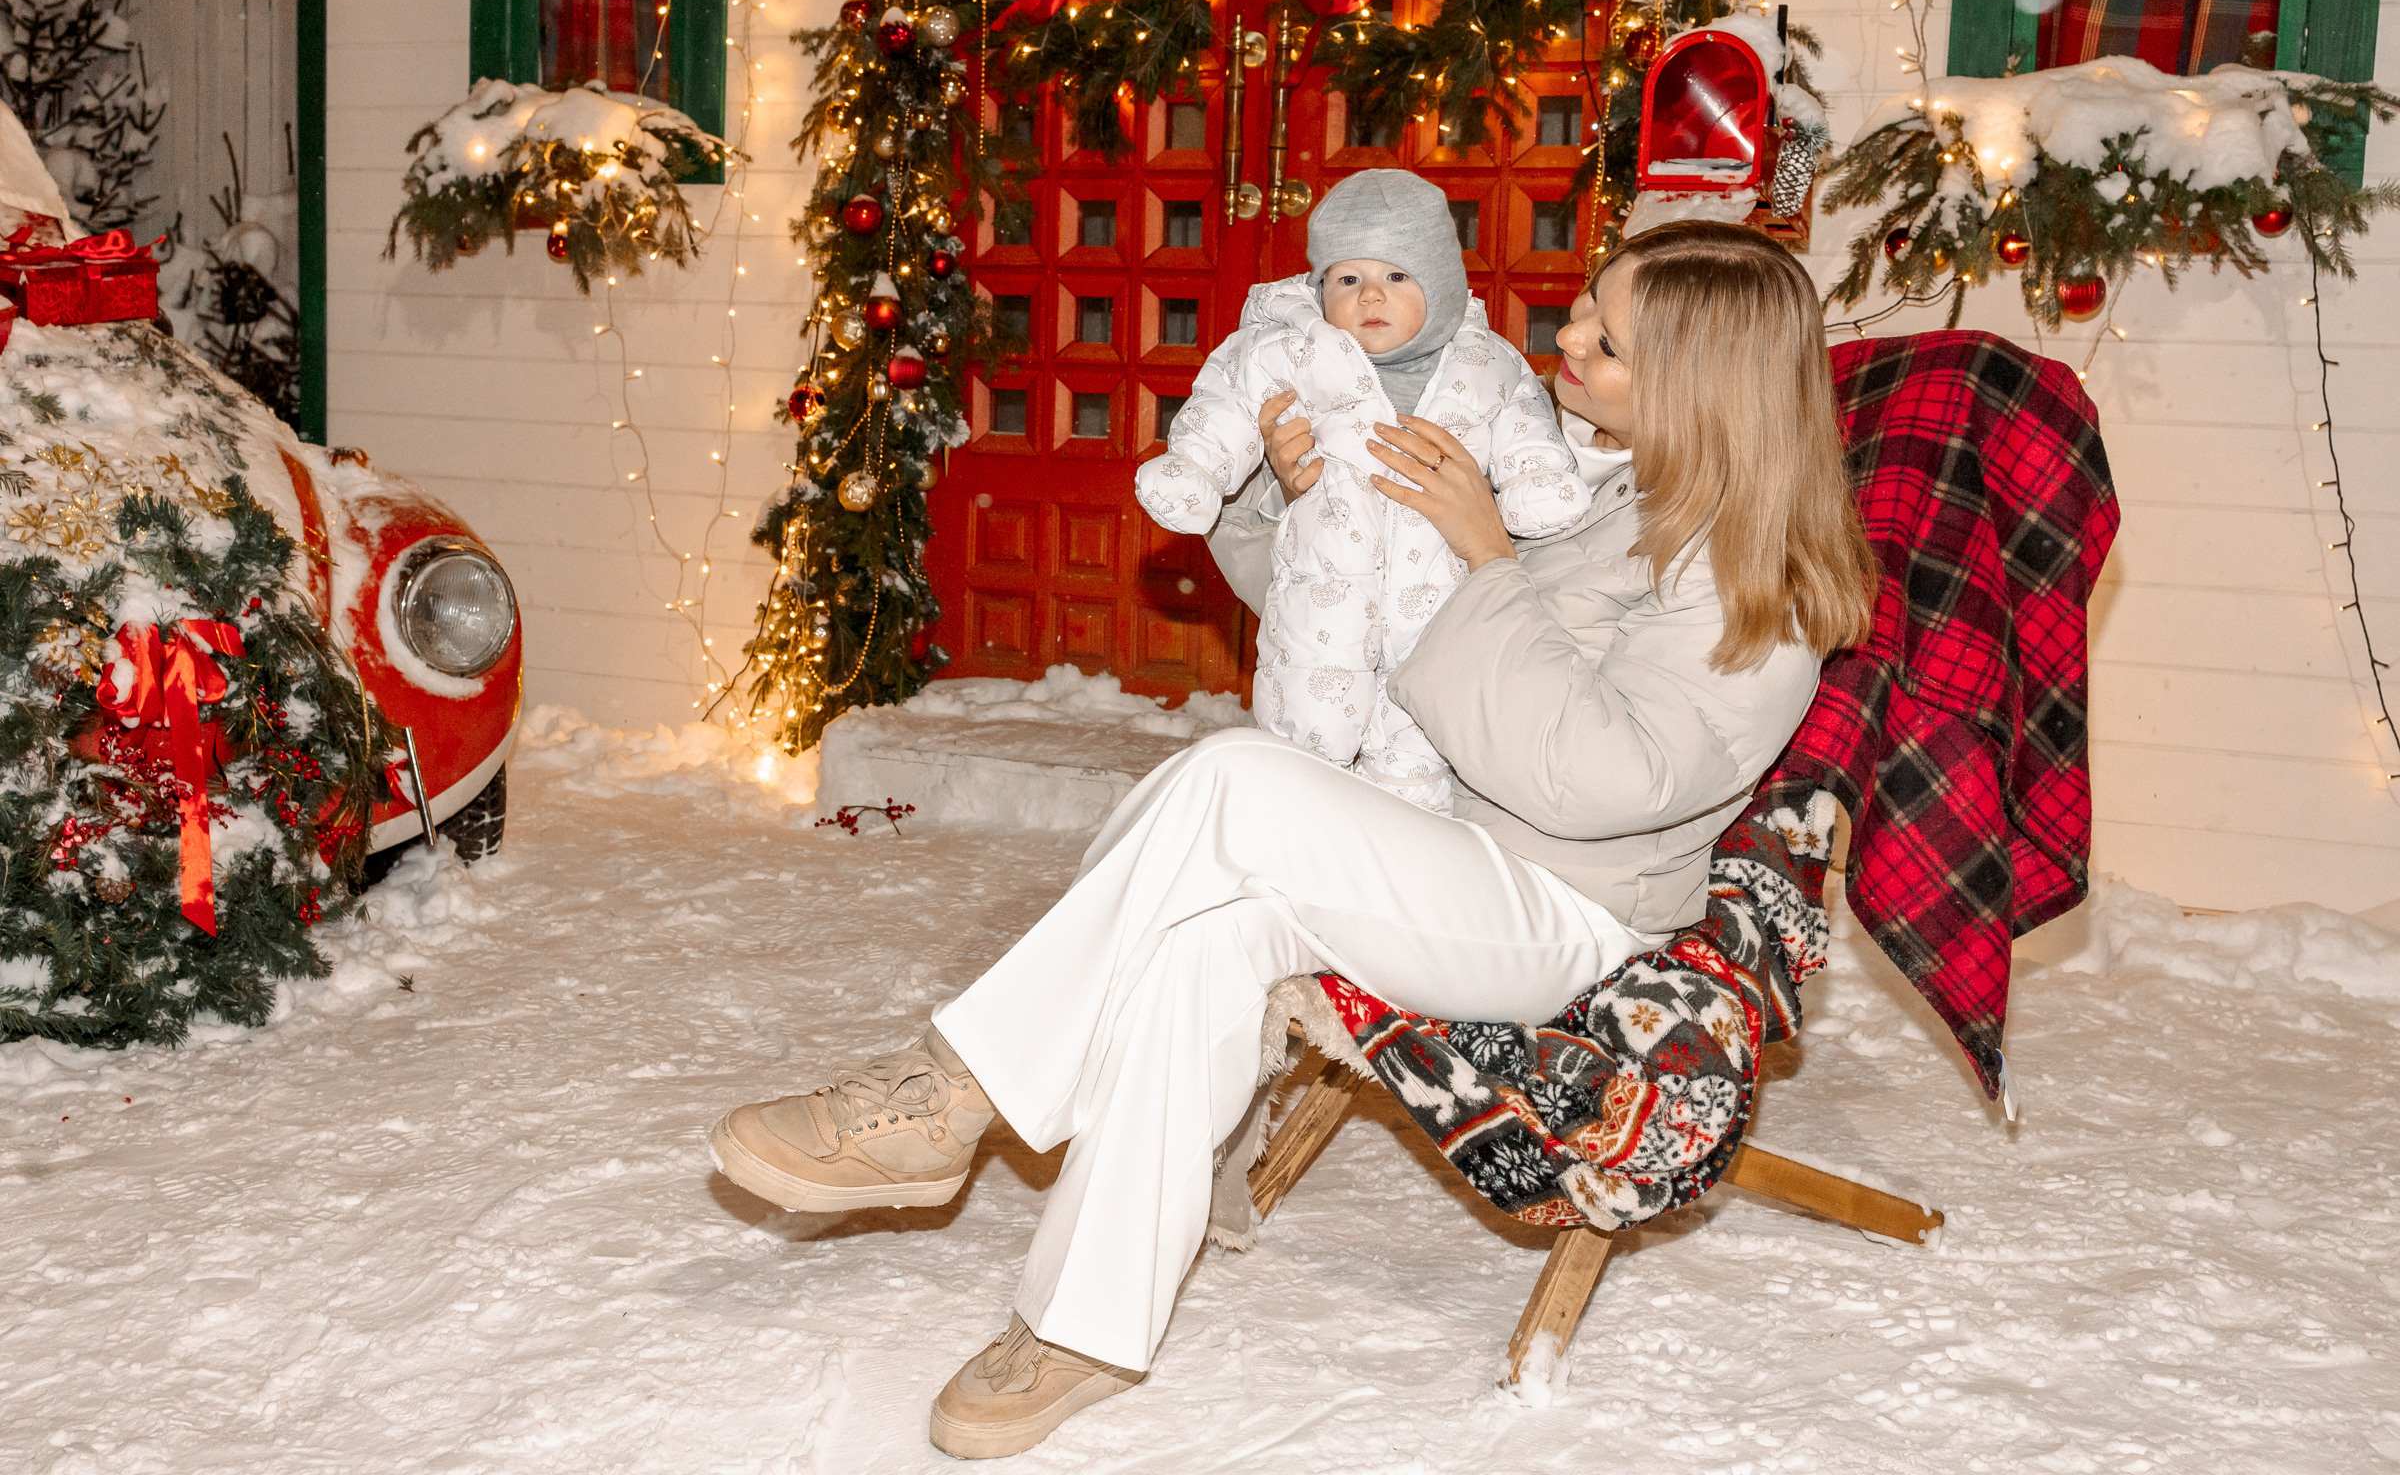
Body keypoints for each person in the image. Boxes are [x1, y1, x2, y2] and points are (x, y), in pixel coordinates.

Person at [708, 221, 1877, 1460]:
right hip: (1449, 845)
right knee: (1199, 942)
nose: (1566, 337)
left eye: (1611, 337)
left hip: (1567, 912)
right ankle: (1084, 1326)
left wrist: (1489, 558)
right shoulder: (1596, 478)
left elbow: (1600, 777)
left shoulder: (1764, 578)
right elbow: (1370, 609)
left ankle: (958, 1090)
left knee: (1233, 779)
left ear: (1703, 383)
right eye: (1586, 307)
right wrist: (1292, 492)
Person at [1135, 170, 1588, 812]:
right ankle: (1301, 838)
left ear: (1442, 282)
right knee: (1308, 733)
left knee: (1420, 750)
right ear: (1321, 287)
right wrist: (1196, 468)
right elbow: (1226, 403)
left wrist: (1536, 480)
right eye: (1349, 279)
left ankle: (1409, 850)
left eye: (1398, 277)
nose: (1371, 296)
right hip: (1324, 587)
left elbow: (1524, 422)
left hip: (1439, 601)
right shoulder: (1290, 349)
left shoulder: (1486, 361)